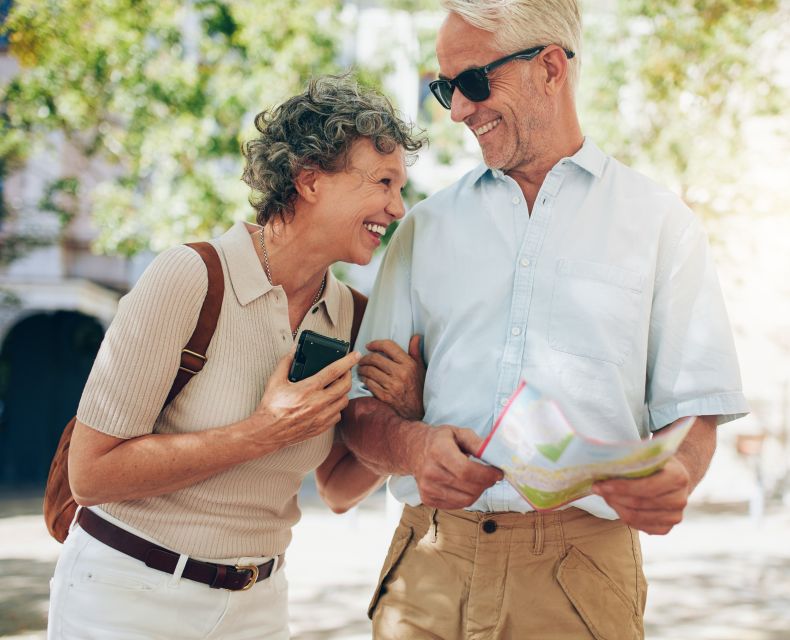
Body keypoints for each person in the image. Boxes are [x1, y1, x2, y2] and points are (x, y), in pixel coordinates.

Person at [341, 2, 749, 638]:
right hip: (428, 568)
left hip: (579, 576)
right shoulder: (424, 228)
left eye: (473, 82)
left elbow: (693, 414)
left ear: (551, 68)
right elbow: (361, 414)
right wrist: (415, 446)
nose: (457, 111)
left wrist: (675, 476)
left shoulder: (660, 224)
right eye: (445, 88)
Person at [47, 75, 426, 640]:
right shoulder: (191, 277)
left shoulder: (351, 316)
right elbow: (92, 474)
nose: (397, 208)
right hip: (125, 597)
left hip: (257, 606)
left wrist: (407, 413)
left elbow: (339, 490)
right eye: (383, 183)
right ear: (309, 180)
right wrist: (260, 433)